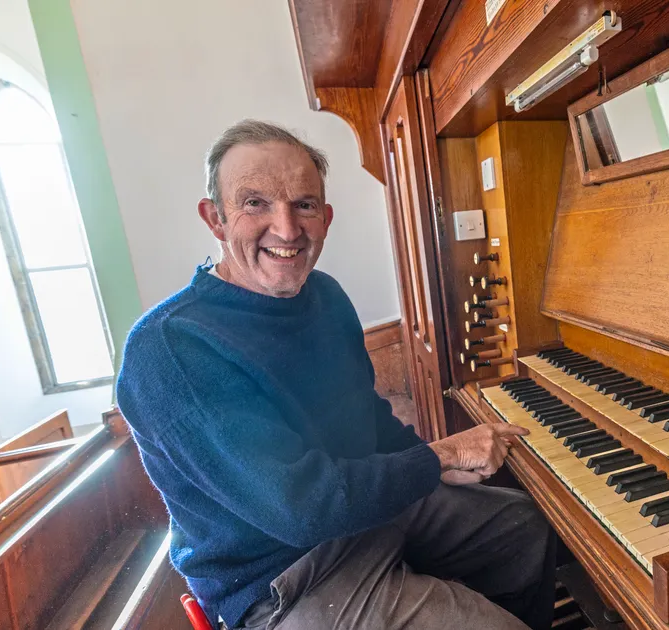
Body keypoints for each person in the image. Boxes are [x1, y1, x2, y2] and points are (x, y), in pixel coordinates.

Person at [116, 120, 557, 630]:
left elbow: (364, 416)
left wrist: (428, 462)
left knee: (524, 529)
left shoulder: (324, 297)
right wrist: (441, 456)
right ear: (215, 219)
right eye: (255, 203)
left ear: (325, 217)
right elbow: (299, 507)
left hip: (363, 516)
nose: (286, 229)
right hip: (279, 579)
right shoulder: (170, 349)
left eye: (303, 204)